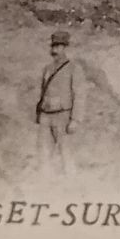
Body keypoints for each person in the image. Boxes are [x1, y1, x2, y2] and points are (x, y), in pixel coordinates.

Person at [36, 30, 77, 175]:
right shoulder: (47, 69)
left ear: (65, 48)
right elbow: (43, 91)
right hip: (46, 115)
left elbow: (80, 95)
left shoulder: (73, 68)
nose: (55, 50)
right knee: (44, 148)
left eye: (59, 46)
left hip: (63, 115)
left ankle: (71, 179)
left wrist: (75, 119)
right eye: (54, 46)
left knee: (65, 148)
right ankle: (46, 180)